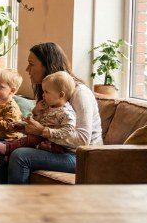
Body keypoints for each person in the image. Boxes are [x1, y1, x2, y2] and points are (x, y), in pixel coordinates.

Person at [7, 43, 103, 184]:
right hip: (59, 150)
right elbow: (51, 125)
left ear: (47, 65)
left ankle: (18, 204)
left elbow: (83, 140)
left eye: (31, 64)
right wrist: (24, 126)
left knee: (20, 155)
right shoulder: (49, 92)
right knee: (5, 146)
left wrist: (43, 131)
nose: (27, 69)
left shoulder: (80, 93)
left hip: (81, 156)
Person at [0, 71, 77, 155]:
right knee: (28, 139)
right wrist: (35, 112)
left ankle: (7, 148)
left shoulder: (66, 112)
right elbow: (37, 123)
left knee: (30, 139)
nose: (43, 95)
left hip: (58, 146)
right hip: (44, 139)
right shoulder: (48, 107)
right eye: (43, 91)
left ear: (61, 95)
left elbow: (69, 130)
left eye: (46, 92)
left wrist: (48, 132)